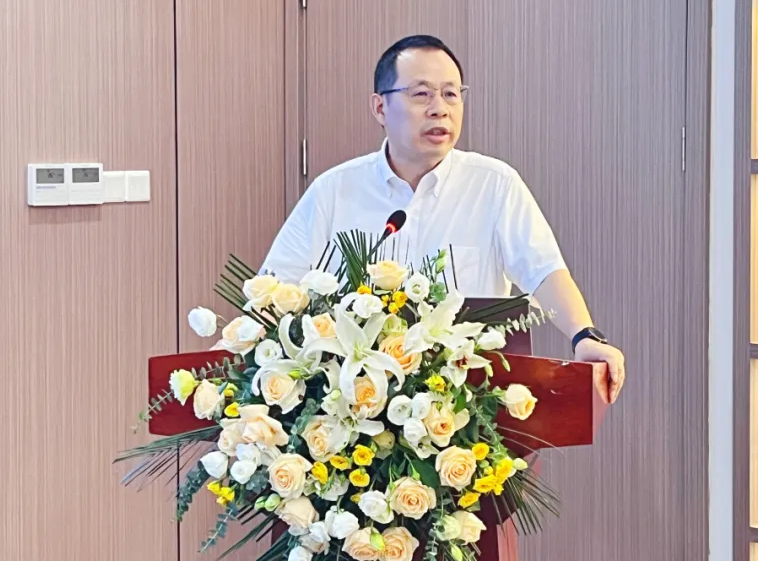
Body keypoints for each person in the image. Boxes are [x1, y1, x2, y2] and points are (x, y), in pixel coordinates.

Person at [261, 35, 625, 404]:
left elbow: (543, 270)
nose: (440, 109)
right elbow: (274, 290)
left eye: (451, 94)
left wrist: (584, 335)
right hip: (353, 412)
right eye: (421, 94)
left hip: (466, 413)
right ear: (380, 107)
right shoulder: (334, 192)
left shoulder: (494, 184)